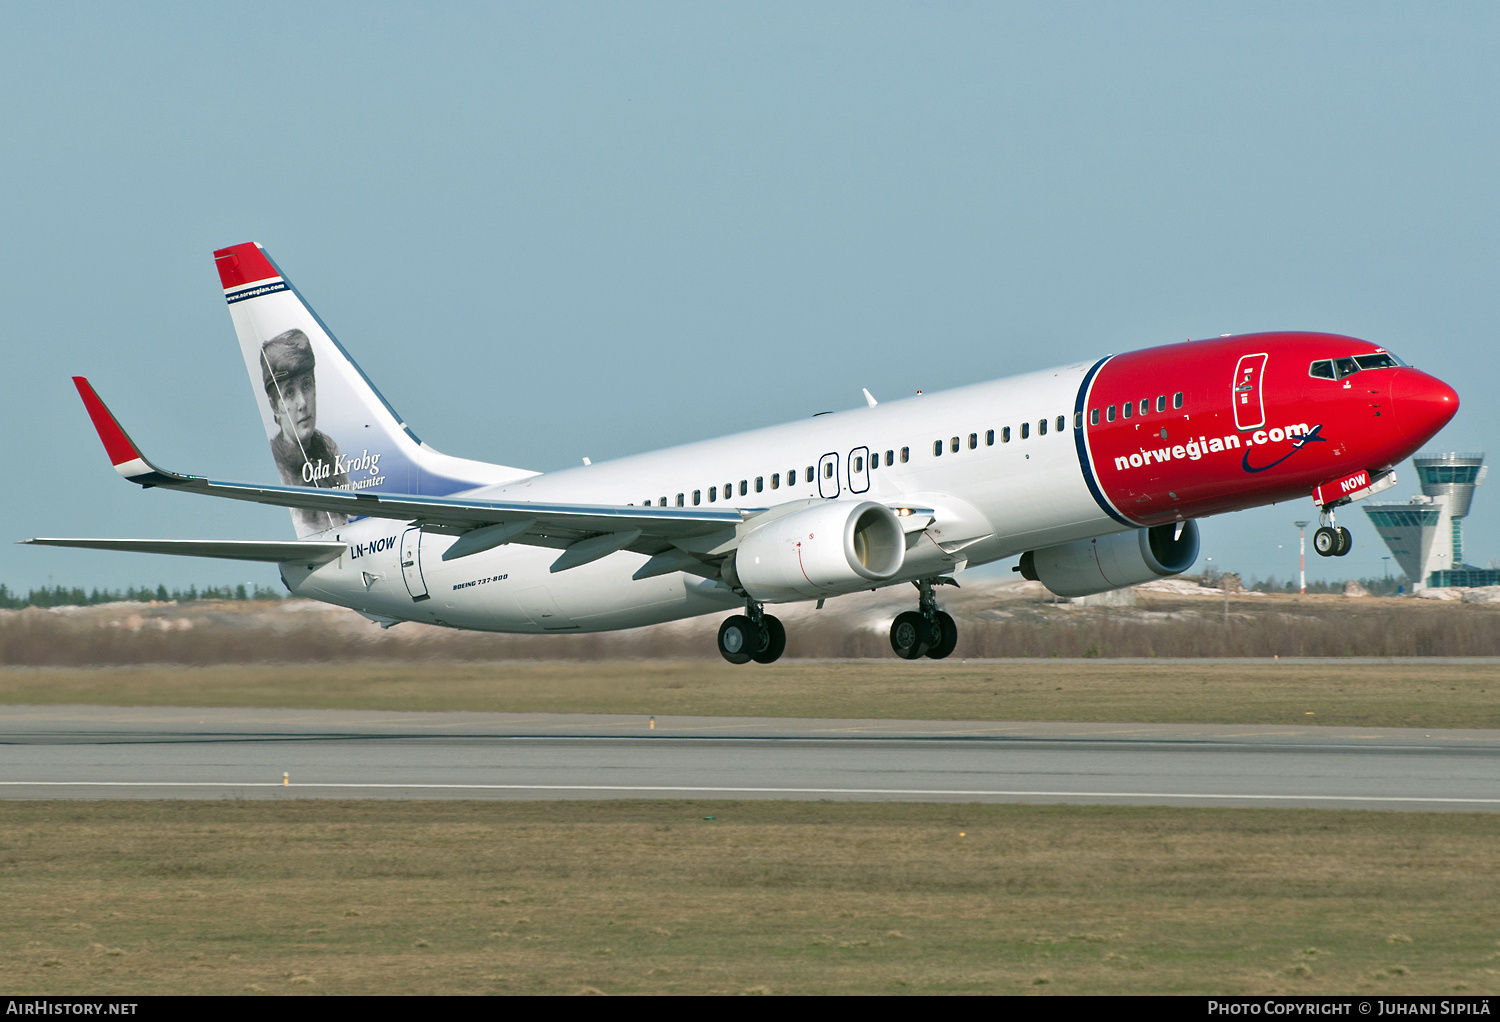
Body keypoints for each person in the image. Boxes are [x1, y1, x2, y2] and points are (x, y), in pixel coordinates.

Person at [261, 329, 349, 533]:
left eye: (307, 385)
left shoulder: (327, 447)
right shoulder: (281, 466)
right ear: (275, 406)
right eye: (289, 393)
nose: (302, 403)